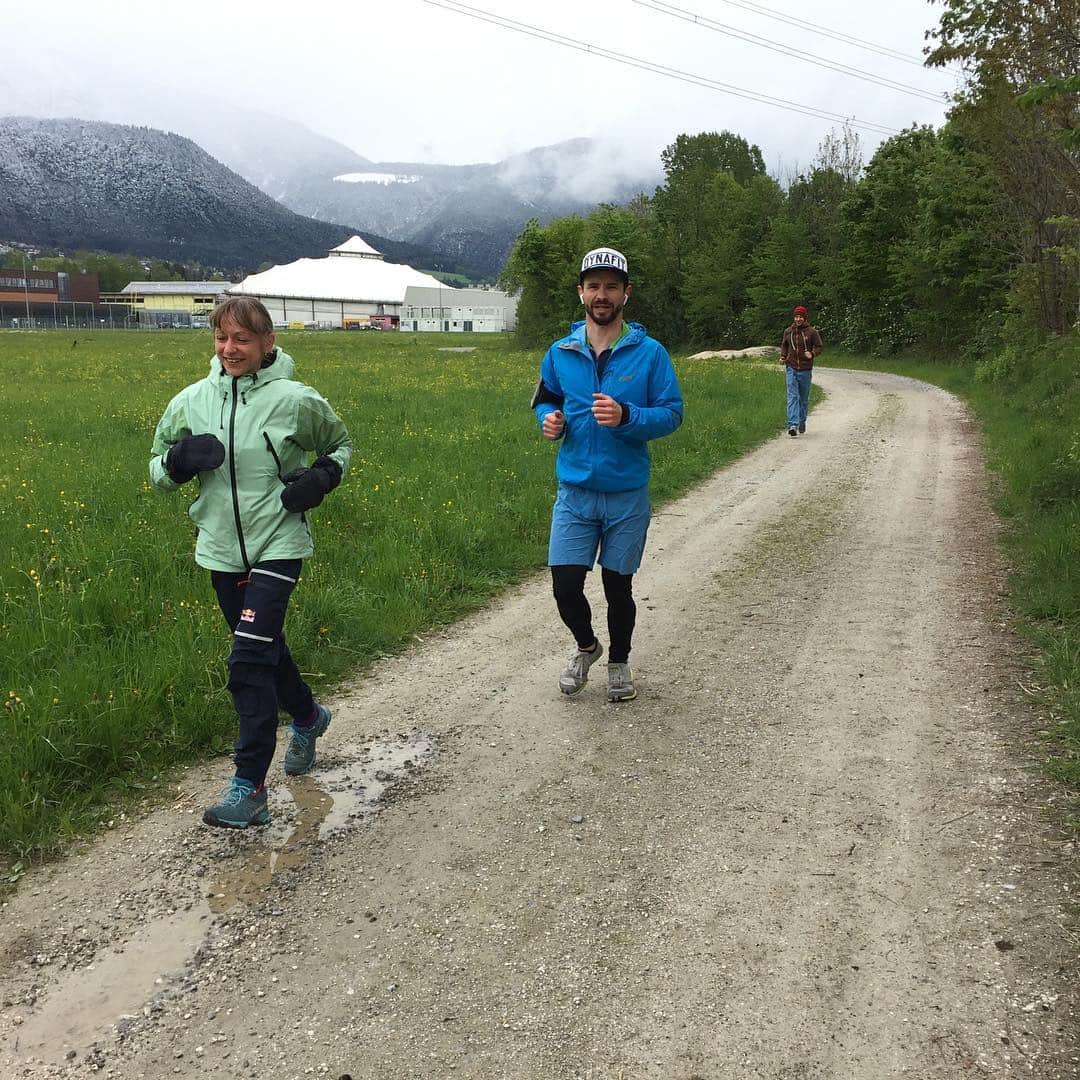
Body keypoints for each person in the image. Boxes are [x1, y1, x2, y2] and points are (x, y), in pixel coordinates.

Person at [149, 297, 352, 829]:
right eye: (221, 338)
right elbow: (156, 467)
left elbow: (340, 444)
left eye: (242, 339)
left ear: (267, 343)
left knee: (246, 662)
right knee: (263, 650)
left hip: (279, 540)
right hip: (218, 547)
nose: (229, 349)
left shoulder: (294, 400)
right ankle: (308, 717)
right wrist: (175, 462)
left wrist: (322, 479)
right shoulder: (191, 401)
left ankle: (250, 786)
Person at [531, 247, 683, 702]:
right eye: (594, 286)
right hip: (575, 490)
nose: (602, 294)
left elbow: (672, 413)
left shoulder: (650, 354)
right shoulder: (560, 352)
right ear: (581, 292)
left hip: (625, 493)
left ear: (626, 294)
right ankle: (587, 647)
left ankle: (619, 662)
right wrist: (550, 420)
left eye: (611, 287)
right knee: (564, 586)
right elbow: (546, 399)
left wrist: (627, 416)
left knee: (618, 587)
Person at [780, 305, 823, 436]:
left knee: (803, 399)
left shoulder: (811, 332)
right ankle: (792, 424)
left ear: (804, 318)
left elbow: (819, 346)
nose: (798, 319)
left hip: (805, 370)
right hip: (791, 368)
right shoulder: (788, 331)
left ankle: (801, 421)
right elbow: (784, 345)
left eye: (800, 317)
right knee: (792, 396)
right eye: (796, 316)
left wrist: (813, 353)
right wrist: (783, 356)